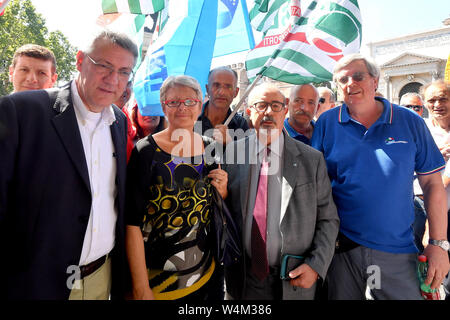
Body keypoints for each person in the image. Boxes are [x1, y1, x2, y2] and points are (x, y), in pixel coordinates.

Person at [0, 30, 138, 300]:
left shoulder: (119, 122)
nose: (113, 80)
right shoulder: (21, 111)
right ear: (80, 60)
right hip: (34, 284)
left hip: (100, 278)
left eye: (123, 72)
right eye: (104, 67)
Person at [311, 53, 450, 300]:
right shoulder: (326, 123)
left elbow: (432, 184)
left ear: (375, 81)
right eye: (342, 80)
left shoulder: (410, 121)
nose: (350, 83)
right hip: (341, 250)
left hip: (396, 251)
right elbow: (316, 185)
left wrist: (438, 244)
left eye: (358, 76)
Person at [223, 82, 339, 300]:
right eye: (261, 105)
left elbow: (328, 220)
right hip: (244, 281)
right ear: (249, 112)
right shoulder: (232, 153)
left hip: (295, 279)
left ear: (285, 110)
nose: (268, 112)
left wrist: (316, 265)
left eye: (276, 106)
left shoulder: (312, 160)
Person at [125, 75, 228, 300]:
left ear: (200, 105)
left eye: (190, 101)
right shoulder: (146, 151)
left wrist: (223, 191)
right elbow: (131, 223)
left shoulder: (210, 147)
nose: (183, 107)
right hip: (157, 279)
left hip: (205, 274)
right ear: (164, 106)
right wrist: (141, 288)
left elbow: (215, 208)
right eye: (174, 102)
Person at [422, 79, 450, 299]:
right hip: (424, 209)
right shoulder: (420, 130)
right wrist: (435, 159)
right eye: (432, 100)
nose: (438, 104)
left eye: (443, 98)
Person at [198, 66, 249, 144]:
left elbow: (245, 155)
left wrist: (230, 143)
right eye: (216, 85)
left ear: (236, 92)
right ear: (207, 89)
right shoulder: (190, 118)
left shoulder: (240, 124)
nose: (221, 92)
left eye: (228, 87)